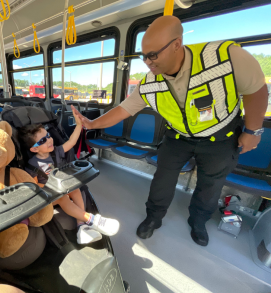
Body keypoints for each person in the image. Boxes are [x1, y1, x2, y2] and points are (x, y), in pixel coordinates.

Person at [72, 15, 268, 246]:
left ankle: (198, 222)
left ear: (177, 44)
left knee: (210, 185)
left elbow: (256, 90)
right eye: (143, 56)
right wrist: (92, 123)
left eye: (153, 55)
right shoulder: (150, 82)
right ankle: (153, 218)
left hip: (220, 137)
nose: (147, 62)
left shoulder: (224, 58)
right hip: (177, 137)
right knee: (162, 180)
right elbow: (124, 109)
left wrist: (252, 131)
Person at [19, 112, 120, 245]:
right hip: (46, 196)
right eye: (43, 140)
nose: (49, 140)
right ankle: (92, 220)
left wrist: (79, 125)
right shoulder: (32, 165)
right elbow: (35, 186)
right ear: (34, 149)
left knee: (75, 187)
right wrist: (54, 187)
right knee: (62, 197)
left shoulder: (56, 151)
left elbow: (71, 142)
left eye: (48, 136)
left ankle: (81, 226)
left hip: (61, 188)